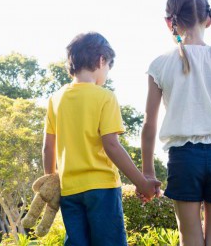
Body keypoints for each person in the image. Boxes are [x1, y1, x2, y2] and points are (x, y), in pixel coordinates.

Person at [140, 0, 211, 245]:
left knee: (189, 237)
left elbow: (149, 124)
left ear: (170, 22)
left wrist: (147, 171)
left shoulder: (159, 65)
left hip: (183, 159)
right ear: (208, 20)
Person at [43, 32, 161, 246]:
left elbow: (48, 148)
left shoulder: (55, 99)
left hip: (69, 190)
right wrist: (142, 183)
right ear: (101, 60)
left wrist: (50, 180)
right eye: (108, 68)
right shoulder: (105, 97)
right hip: (102, 189)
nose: (106, 73)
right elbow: (112, 146)